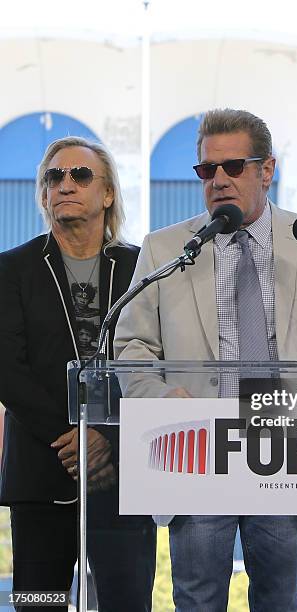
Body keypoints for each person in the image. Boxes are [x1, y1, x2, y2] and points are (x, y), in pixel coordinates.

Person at [114, 108, 297, 611]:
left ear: (267, 170)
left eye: (234, 167)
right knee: (197, 598)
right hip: (197, 451)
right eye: (207, 169)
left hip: (285, 451)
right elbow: (131, 345)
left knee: (279, 598)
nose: (219, 180)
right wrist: (165, 401)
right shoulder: (167, 248)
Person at [0, 136, 156, 611]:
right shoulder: (12, 269)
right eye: (55, 176)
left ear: (107, 194)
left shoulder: (142, 269)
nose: (66, 184)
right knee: (38, 603)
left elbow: (155, 359)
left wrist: (107, 436)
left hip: (122, 470)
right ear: (44, 194)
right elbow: (7, 367)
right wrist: (75, 436)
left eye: (81, 175)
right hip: (43, 470)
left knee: (125, 602)